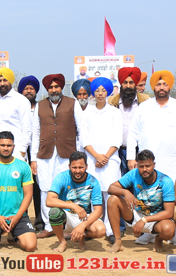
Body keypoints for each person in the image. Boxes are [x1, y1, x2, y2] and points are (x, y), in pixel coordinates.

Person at [31, 73, 79, 237]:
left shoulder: (73, 103)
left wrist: (78, 156)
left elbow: (80, 130)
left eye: (56, 86)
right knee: (45, 189)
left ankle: (66, 226)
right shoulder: (40, 105)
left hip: (67, 154)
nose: (54, 90)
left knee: (66, 189)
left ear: (61, 87)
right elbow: (36, 133)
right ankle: (48, 226)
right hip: (45, 154)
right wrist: (33, 159)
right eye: (51, 87)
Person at [74, 77, 122, 231]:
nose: (100, 93)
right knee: (92, 193)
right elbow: (84, 138)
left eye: (103, 90)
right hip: (92, 159)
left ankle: (110, 228)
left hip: (111, 159)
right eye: (97, 90)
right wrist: (96, 156)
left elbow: (118, 138)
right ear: (93, 93)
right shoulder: (87, 113)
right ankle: (91, 225)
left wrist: (105, 157)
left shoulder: (115, 112)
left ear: (108, 92)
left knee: (110, 192)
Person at [106, 149, 176, 253]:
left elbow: (169, 213)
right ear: (137, 165)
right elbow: (111, 188)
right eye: (141, 166)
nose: (144, 169)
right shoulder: (134, 174)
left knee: (169, 230)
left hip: (156, 219)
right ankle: (117, 241)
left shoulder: (166, 181)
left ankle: (158, 239)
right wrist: (125, 192)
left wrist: (144, 220)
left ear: (154, 165)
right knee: (112, 199)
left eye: (148, 166)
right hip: (136, 213)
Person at [127, 70, 176, 185]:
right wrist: (131, 158)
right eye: (158, 84)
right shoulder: (143, 107)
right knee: (148, 192)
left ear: (169, 86)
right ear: (153, 87)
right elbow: (133, 134)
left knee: (173, 191)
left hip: (174, 162)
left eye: (165, 84)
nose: (161, 88)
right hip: (147, 162)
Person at [0, 131, 37, 252]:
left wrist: (17, 216)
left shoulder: (23, 166)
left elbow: (28, 195)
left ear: (13, 146)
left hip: (17, 216)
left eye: (9, 145)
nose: (6, 148)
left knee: (31, 246)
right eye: (2, 145)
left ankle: (13, 235)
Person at [46, 151, 106, 252]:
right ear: (69, 166)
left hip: (84, 216)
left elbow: (98, 210)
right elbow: (49, 200)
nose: (77, 171)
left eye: (81, 167)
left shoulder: (93, 182)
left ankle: (82, 236)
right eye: (74, 167)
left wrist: (83, 225)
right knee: (54, 212)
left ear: (86, 166)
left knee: (101, 230)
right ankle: (62, 241)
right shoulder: (61, 177)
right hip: (66, 216)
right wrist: (74, 206)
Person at [19, 75, 45, 228]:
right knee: (22, 186)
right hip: (21, 150)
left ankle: (40, 220)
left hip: (37, 150)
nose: (29, 91)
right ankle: (22, 220)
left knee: (37, 186)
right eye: (26, 88)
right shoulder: (18, 106)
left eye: (31, 88)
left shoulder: (41, 107)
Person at [0, 67, 33, 159]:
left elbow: (27, 128)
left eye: (5, 80)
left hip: (16, 152)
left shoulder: (21, 100)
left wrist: (22, 150)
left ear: (11, 81)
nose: (2, 84)